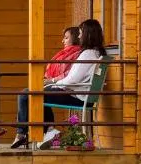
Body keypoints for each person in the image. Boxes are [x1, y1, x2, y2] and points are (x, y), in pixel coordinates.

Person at [11, 19, 106, 149]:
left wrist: (55, 83)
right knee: (37, 92)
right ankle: (48, 131)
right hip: (82, 95)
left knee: (27, 94)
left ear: (88, 34)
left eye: (80, 33)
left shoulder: (87, 54)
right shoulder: (96, 53)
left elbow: (72, 79)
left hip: (76, 96)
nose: (79, 36)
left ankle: (24, 133)